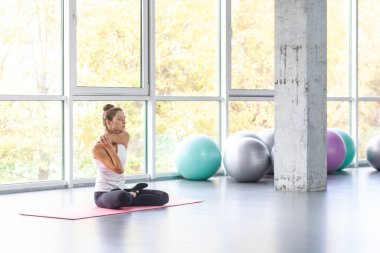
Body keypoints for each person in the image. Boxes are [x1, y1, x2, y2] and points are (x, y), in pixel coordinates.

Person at [92, 104, 169, 209]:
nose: (124, 122)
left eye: (124, 119)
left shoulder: (124, 137)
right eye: (119, 119)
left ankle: (131, 194)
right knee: (122, 197)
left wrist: (107, 138)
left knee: (163, 197)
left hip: (122, 189)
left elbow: (107, 136)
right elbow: (119, 169)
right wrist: (109, 148)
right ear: (109, 122)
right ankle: (134, 192)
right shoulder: (97, 149)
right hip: (103, 193)